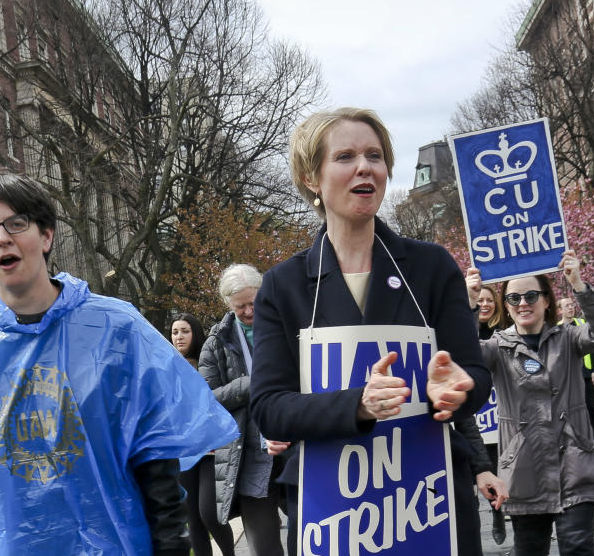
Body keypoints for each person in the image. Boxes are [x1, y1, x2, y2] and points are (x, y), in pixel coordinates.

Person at [0, 170, 238, 556]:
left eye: (16, 223)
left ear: (46, 235)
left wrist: (172, 547)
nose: (1, 238)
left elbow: (157, 463)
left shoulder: (117, 330)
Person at [249, 107, 493, 555]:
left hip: (428, 505)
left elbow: (474, 377)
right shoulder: (283, 287)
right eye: (345, 156)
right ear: (310, 177)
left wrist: (458, 388)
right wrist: (357, 405)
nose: (365, 167)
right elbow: (269, 407)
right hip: (333, 511)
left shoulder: (432, 267)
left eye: (375, 156)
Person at [466, 252, 594, 556]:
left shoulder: (569, 337)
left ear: (547, 301)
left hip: (575, 465)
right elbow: (465, 352)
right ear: (506, 305)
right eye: (514, 298)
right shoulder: (497, 347)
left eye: (532, 295)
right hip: (524, 470)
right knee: (530, 550)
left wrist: (578, 284)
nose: (523, 303)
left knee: (577, 547)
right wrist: (469, 304)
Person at [198, 264, 287, 556]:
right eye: (241, 306)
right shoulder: (215, 343)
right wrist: (251, 383)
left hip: (293, 445)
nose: (250, 311)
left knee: (306, 534)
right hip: (248, 455)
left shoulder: (286, 325)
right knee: (264, 547)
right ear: (228, 304)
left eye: (254, 302)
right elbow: (207, 400)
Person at [171, 313, 237, 556]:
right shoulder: (168, 365)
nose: (179, 336)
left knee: (209, 512)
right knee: (193, 521)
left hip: (212, 449)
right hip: (184, 451)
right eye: (175, 332)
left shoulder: (208, 360)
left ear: (195, 333)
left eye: (184, 331)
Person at [475, 282, 510, 544]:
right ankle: (488, 517)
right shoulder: (462, 328)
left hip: (500, 409)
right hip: (476, 412)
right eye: (480, 299)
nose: (484, 304)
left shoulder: (504, 333)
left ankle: (500, 514)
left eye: (489, 300)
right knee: (482, 467)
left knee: (500, 469)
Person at [559, 296, 594, 451]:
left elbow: (592, 348)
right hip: (568, 375)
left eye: (572, 305)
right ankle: (576, 440)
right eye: (566, 305)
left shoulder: (582, 324)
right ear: (560, 310)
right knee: (571, 408)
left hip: (586, 372)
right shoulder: (557, 328)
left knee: (591, 406)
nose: (570, 308)